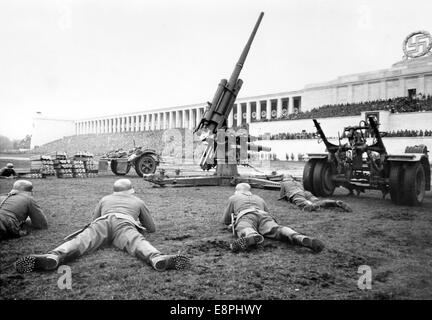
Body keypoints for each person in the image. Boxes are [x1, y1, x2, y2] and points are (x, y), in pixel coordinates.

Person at [15, 179, 190, 273]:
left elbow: (94, 220)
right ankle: (156, 258)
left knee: (81, 240)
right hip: (124, 223)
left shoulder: (105, 199)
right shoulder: (137, 200)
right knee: (136, 242)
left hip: (103, 222)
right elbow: (151, 228)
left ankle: (54, 256)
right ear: (131, 190)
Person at [223, 183, 325, 253]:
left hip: (246, 215)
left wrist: (231, 224)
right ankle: (297, 236)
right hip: (264, 215)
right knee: (277, 229)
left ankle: (252, 235)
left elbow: (226, 220)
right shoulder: (259, 198)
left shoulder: (233, 198)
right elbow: (268, 213)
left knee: (244, 226)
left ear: (237, 191)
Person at [279, 175, 352, 212]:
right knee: (316, 201)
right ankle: (334, 203)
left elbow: (282, 195)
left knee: (305, 205)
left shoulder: (284, 183)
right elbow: (302, 189)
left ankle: (312, 206)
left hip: (296, 194)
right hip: (306, 193)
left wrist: (282, 199)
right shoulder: (297, 182)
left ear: (284, 178)